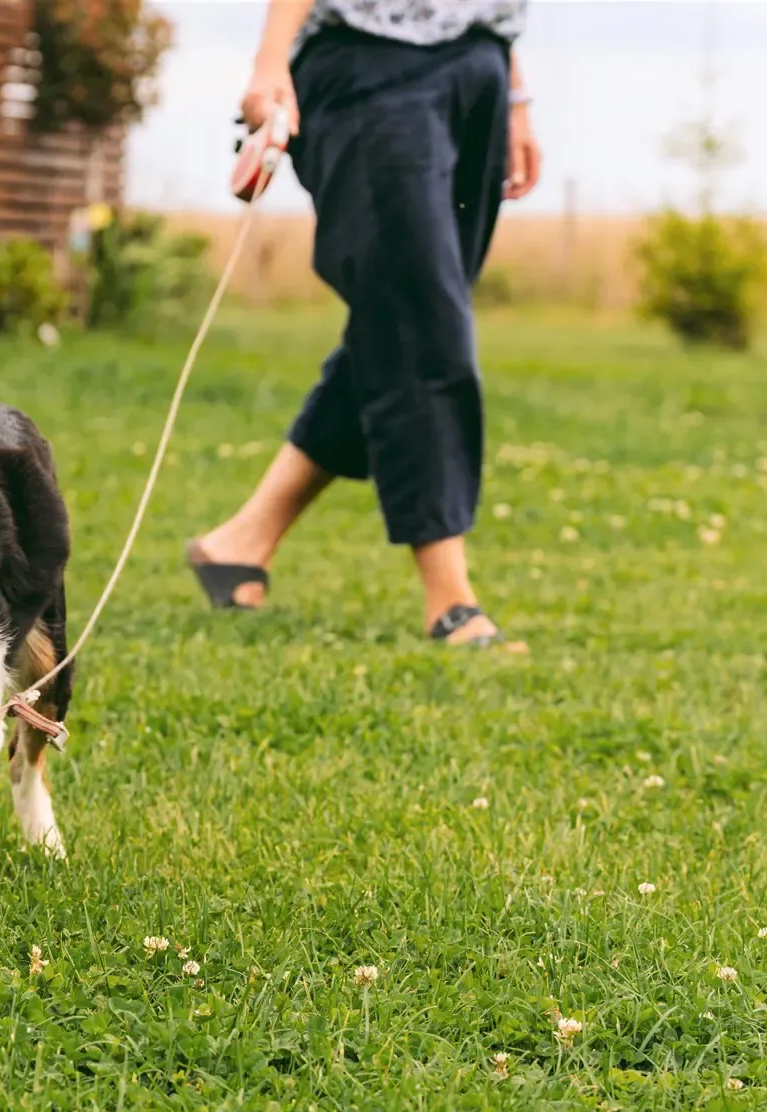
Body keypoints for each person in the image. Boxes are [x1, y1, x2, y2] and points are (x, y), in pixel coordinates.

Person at [186, 0, 541, 647]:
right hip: (366, 58)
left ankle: (242, 540)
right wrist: (270, 62)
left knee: (406, 317)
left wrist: (514, 92)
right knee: (420, 320)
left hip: (480, 61)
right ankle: (450, 596)